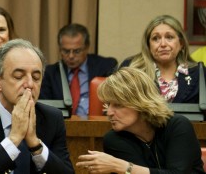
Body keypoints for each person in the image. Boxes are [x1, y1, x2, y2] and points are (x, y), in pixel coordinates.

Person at [0, 39, 74, 174]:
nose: (29, 84)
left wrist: (35, 145)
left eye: (36, 77)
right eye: (18, 76)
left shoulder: (52, 119)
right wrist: (14, 139)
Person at [76, 67, 204, 173]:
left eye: (118, 105)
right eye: (108, 104)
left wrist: (122, 167)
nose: (109, 112)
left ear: (140, 102)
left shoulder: (177, 126)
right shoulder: (114, 139)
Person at [39, 23, 117, 116]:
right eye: (66, 51)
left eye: (77, 51)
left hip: (96, 124)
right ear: (60, 49)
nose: (71, 56)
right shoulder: (50, 73)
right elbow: (45, 108)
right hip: (63, 125)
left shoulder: (106, 67)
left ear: (87, 48)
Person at [121, 15, 201, 103]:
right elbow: (113, 108)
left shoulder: (198, 72)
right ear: (148, 45)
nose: (163, 44)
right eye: (156, 38)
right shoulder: (130, 69)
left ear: (181, 43)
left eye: (169, 37)